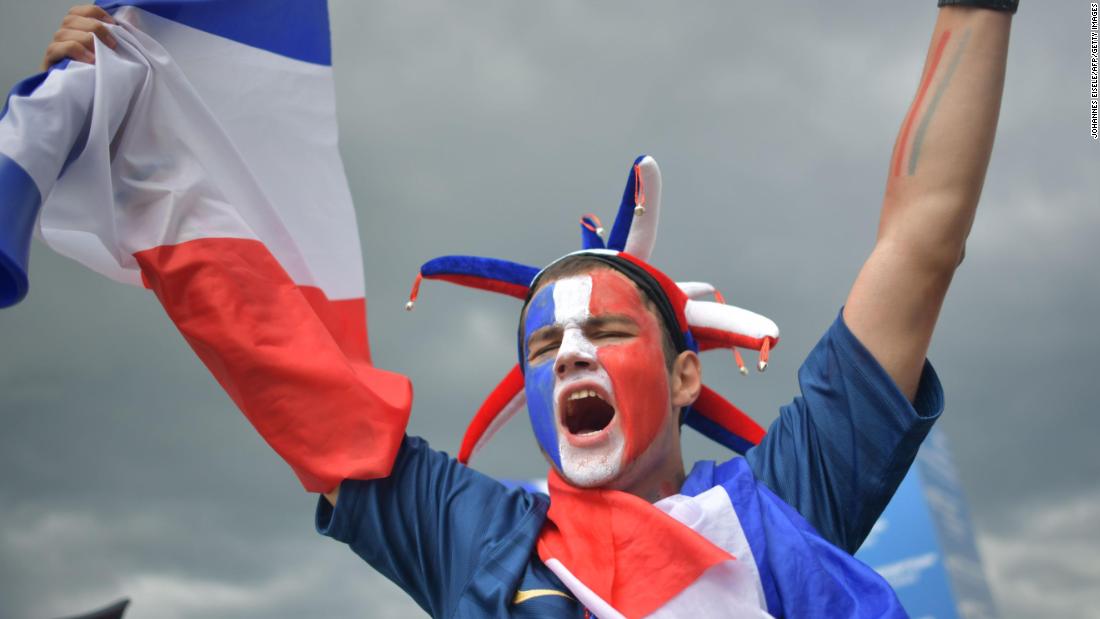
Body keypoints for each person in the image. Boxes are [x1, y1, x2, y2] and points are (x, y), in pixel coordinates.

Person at [40, 1, 1016, 617]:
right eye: (546, 342)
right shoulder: (476, 535)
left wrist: (978, 9)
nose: (571, 355)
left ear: (686, 374)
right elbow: (278, 356)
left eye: (605, 328)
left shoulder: (785, 501)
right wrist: (138, 133)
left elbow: (919, 243)